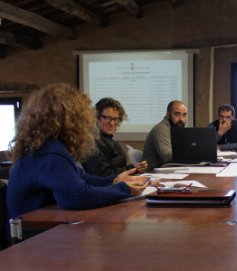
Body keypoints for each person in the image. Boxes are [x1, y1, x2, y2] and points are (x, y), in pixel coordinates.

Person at [7, 84, 148, 220]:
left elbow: (81, 179)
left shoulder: (46, 146)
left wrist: (114, 180)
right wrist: (124, 189)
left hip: (39, 225)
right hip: (32, 234)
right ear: (71, 119)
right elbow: (76, 197)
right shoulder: (50, 153)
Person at [83, 97, 148, 176]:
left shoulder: (108, 140)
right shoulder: (93, 142)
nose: (112, 123)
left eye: (115, 119)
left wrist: (135, 168)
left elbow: (114, 170)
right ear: (97, 117)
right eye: (107, 118)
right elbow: (103, 175)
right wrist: (132, 169)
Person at [142, 100, 188, 170]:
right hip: (154, 173)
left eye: (184, 115)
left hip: (169, 171)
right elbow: (167, 158)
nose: (181, 119)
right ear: (168, 114)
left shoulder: (176, 129)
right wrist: (192, 155)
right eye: (177, 114)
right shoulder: (161, 128)